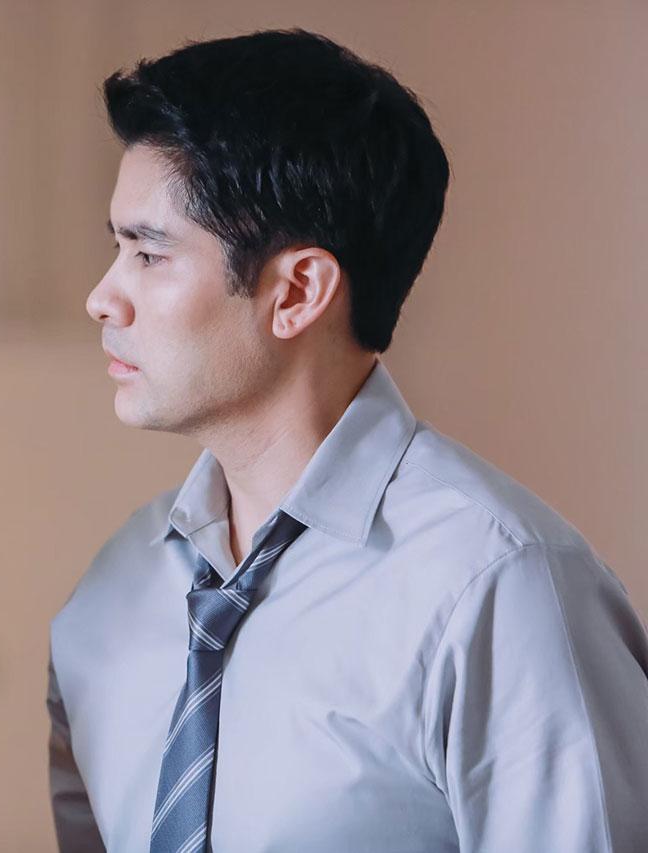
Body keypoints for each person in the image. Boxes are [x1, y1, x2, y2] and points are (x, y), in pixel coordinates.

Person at [48, 29, 648, 853]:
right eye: (117, 246)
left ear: (298, 291)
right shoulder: (108, 598)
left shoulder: (500, 589)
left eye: (150, 254)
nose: (102, 297)